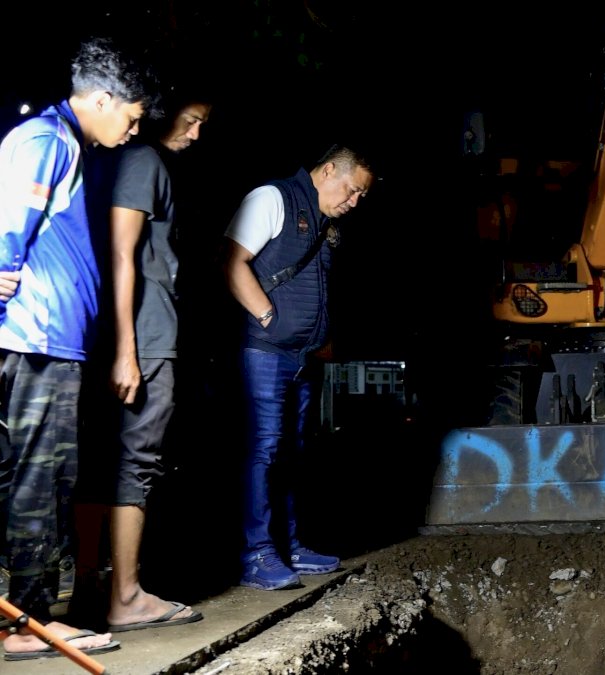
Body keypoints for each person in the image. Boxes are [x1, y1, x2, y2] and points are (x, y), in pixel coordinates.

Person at [0, 36, 159, 661]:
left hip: (46, 339)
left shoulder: (63, 143)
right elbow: (11, 221)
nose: (133, 128)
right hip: (34, 340)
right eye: (132, 115)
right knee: (42, 479)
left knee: (30, 479)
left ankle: (23, 616)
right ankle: (27, 624)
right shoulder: (47, 140)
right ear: (100, 99)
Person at [78, 77, 214, 633]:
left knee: (100, 461)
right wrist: (128, 351)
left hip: (118, 331)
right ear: (162, 107)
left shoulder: (120, 158)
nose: (198, 132)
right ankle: (127, 597)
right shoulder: (144, 161)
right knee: (137, 459)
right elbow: (121, 252)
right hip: (145, 335)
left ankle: (93, 587)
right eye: (193, 117)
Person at [223, 145, 374, 590]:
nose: (354, 201)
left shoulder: (326, 221)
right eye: (351, 190)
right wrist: (269, 317)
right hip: (266, 351)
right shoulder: (272, 198)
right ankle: (256, 554)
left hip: (302, 357)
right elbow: (231, 261)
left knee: (292, 452)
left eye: (361, 195)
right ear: (328, 171)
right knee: (264, 449)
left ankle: (288, 546)